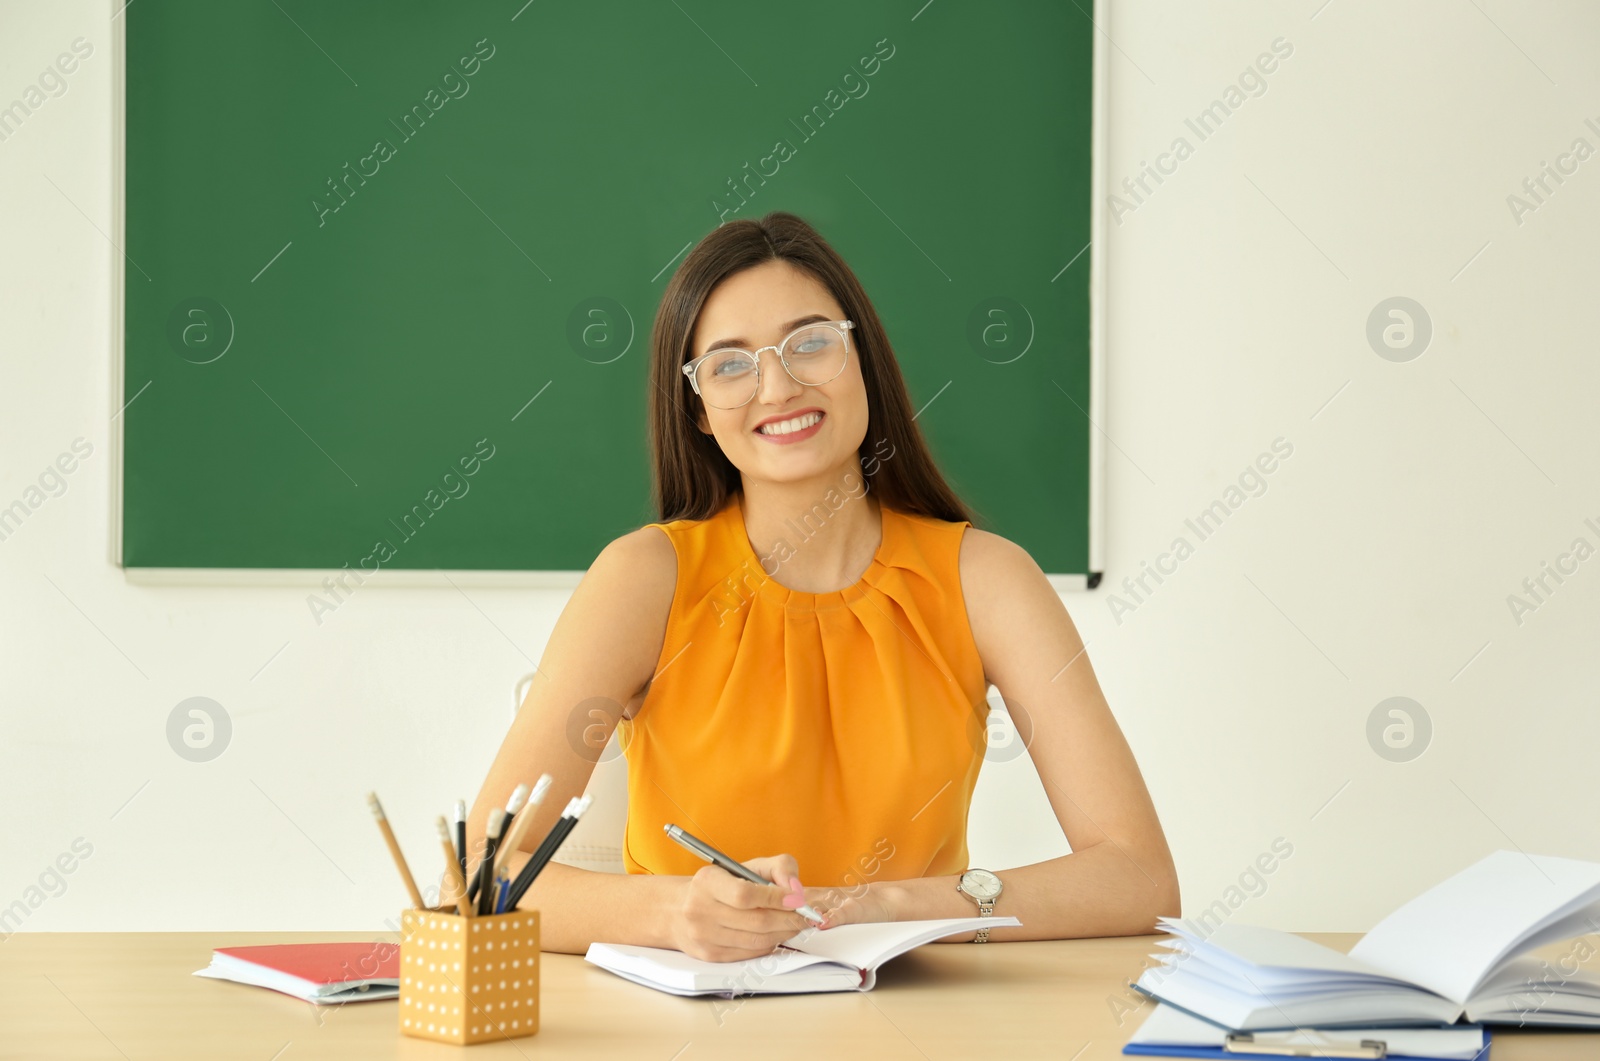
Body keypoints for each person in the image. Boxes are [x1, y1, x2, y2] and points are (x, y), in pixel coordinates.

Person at [470, 211, 1178, 962]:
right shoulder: (645, 579)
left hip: (912, 1017)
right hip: (691, 1023)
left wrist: (892, 903)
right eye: (730, 364)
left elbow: (1139, 876)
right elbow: (481, 880)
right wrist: (675, 912)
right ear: (699, 411)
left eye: (810, 343)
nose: (777, 385)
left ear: (861, 357)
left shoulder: (986, 579)